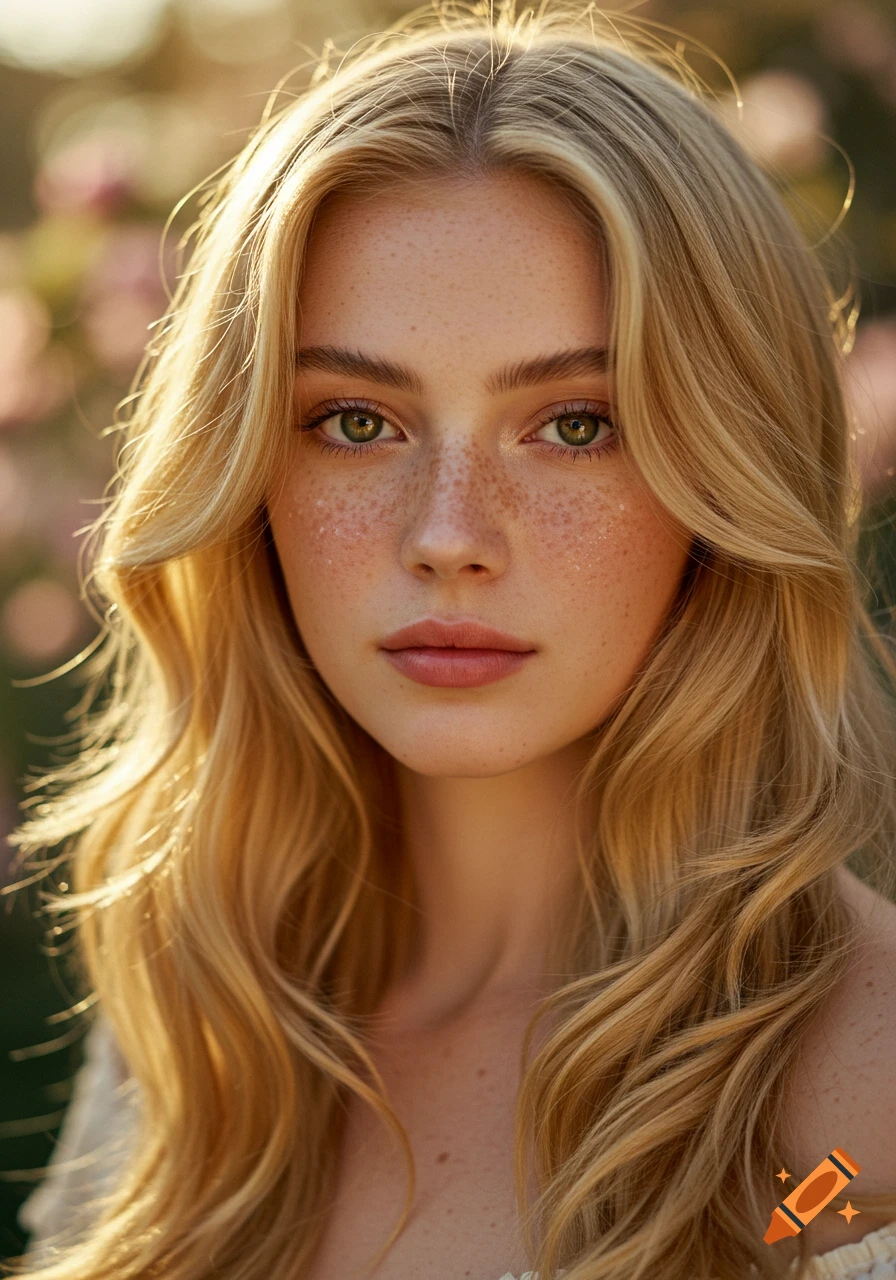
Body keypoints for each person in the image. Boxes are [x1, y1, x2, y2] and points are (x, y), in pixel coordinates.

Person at [4, 3, 896, 1278]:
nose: (447, 536)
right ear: (247, 470)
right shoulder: (209, 1019)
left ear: (725, 474)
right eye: (356, 421)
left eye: (576, 423)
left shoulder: (858, 1131)